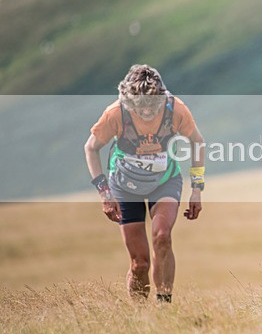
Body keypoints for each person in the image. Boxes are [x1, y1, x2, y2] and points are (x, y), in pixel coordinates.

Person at [84, 64, 205, 302]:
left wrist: (197, 189)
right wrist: (104, 192)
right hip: (124, 186)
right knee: (139, 263)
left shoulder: (175, 109)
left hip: (164, 181)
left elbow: (197, 142)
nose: (147, 112)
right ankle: (140, 320)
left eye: (153, 106)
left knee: (162, 237)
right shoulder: (115, 113)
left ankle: (164, 309)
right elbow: (91, 148)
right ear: (129, 101)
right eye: (140, 107)